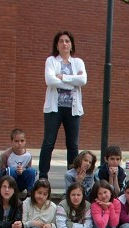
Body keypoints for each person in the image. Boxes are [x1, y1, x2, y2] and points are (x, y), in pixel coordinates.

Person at [39, 30, 87, 178]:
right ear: (57, 45)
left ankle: (72, 176)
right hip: (54, 109)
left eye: (67, 41)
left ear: (71, 45)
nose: (64, 44)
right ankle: (43, 176)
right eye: (61, 41)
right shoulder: (51, 61)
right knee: (48, 143)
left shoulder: (78, 62)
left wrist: (63, 77)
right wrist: (72, 82)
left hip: (73, 109)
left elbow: (83, 80)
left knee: (72, 145)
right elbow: (50, 80)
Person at [0, 128, 36, 194]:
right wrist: (14, 171)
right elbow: (1, 171)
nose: (20, 143)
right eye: (16, 141)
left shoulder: (28, 156)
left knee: (32, 171)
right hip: (9, 181)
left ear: (25, 141)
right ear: (12, 141)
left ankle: (30, 194)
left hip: (21, 182)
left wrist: (22, 170)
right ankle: (10, 193)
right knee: (11, 170)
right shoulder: (6, 154)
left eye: (22, 141)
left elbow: (28, 171)